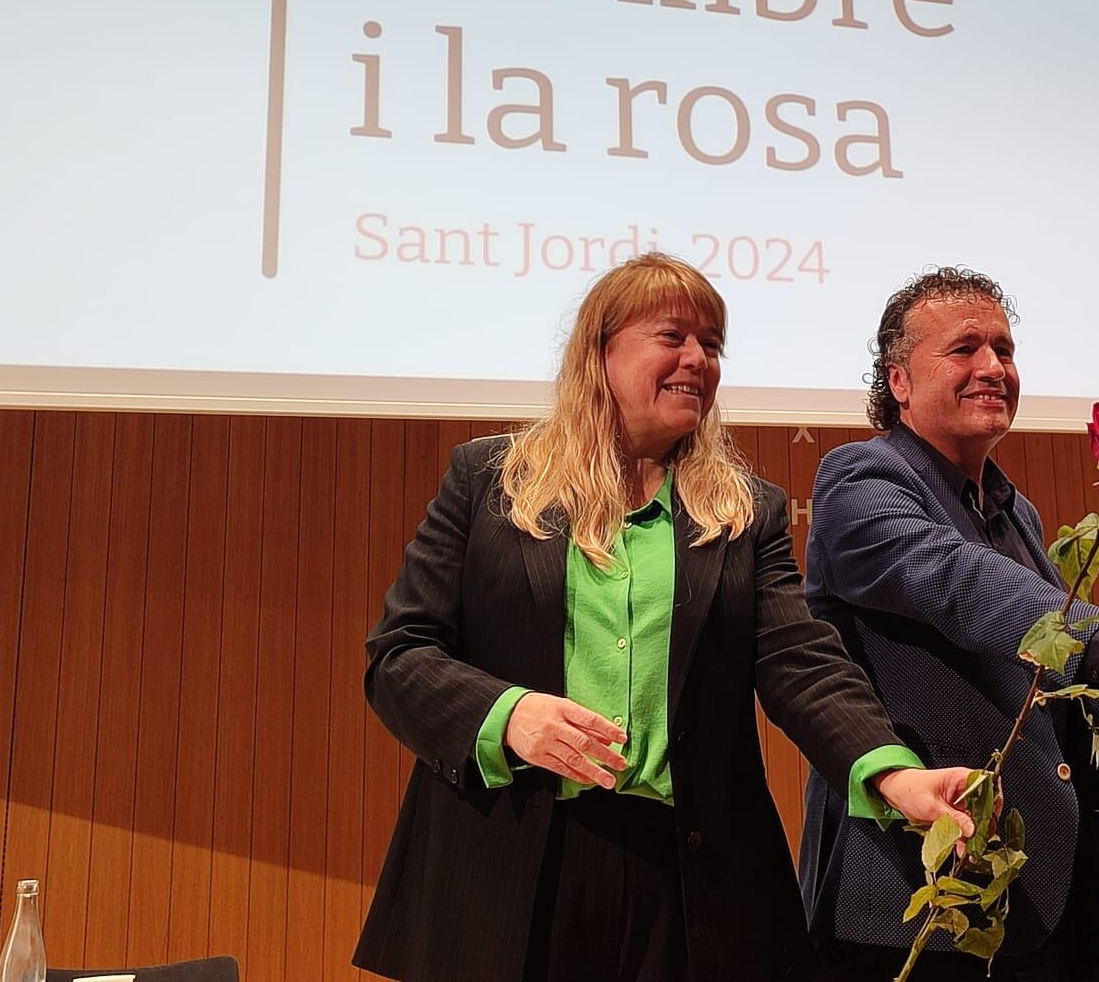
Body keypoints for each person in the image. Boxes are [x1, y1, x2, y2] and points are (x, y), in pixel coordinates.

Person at [355, 254, 973, 982]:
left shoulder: (745, 512)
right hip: (511, 863)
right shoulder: (487, 482)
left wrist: (892, 775)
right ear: (601, 352)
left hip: (688, 878)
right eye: (672, 336)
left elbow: (802, 666)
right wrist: (509, 716)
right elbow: (400, 656)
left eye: (712, 344)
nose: (697, 360)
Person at [800, 267, 1099, 981]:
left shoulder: (1013, 509)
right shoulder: (858, 481)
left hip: (1043, 901)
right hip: (921, 904)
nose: (993, 367)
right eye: (964, 349)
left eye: (1004, 348)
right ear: (899, 380)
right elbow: (959, 582)